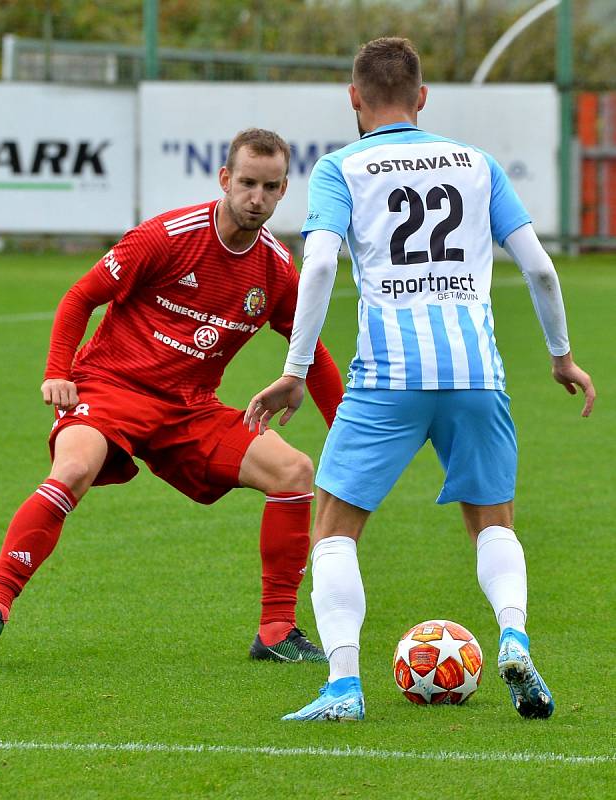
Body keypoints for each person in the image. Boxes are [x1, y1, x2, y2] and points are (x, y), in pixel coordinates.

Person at [245, 38, 596, 721]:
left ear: (355, 98)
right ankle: (515, 637)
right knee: (493, 523)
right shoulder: (477, 163)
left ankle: (343, 685)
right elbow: (542, 269)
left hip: (388, 376)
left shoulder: (341, 168)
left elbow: (316, 269)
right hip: (477, 373)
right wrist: (560, 355)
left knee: (335, 531)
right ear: (423, 96)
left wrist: (294, 372)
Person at [0, 128, 344, 664]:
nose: (257, 198)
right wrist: (57, 372)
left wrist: (348, 431)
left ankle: (276, 630)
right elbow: (80, 298)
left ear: (283, 192)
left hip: (189, 409)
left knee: (294, 473)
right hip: (110, 389)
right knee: (72, 470)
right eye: (248, 183)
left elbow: (314, 354)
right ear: (225, 179)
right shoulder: (166, 236)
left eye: (270, 187)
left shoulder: (277, 270)